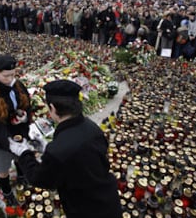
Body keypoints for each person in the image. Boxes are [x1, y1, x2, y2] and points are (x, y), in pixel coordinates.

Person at [8, 79, 122, 218]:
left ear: (53, 108)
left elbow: (39, 178)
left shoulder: (57, 151)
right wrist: (46, 147)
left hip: (86, 210)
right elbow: (79, 157)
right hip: (108, 198)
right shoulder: (92, 127)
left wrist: (24, 153)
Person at [0, 54, 31, 206]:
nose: (10, 79)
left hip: (18, 132)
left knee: (20, 158)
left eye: (13, 75)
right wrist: (8, 141)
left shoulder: (18, 86)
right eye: (6, 76)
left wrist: (25, 116)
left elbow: (27, 104)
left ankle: (22, 177)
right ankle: (7, 192)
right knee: (3, 169)